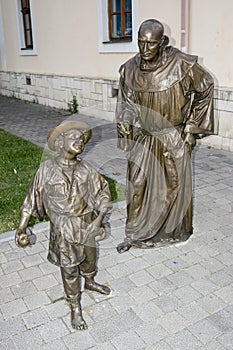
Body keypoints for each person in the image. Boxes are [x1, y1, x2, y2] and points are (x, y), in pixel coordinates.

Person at [116, 19, 214, 253]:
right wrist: (125, 122)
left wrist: (191, 129)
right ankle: (136, 233)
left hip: (173, 136)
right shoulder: (129, 69)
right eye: (141, 42)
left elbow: (205, 88)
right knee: (137, 185)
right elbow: (126, 102)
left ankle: (172, 232)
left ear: (162, 42)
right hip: (145, 136)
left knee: (172, 186)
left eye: (151, 44)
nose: (144, 49)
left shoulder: (181, 64)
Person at [15, 120, 112, 330]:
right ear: (60, 142)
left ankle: (90, 281)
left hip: (87, 223)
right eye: (74, 137)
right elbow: (31, 198)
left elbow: (103, 192)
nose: (80, 142)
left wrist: (98, 219)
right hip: (63, 227)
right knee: (69, 268)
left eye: (82, 139)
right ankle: (75, 306)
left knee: (89, 260)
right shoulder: (47, 168)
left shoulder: (86, 168)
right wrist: (22, 227)